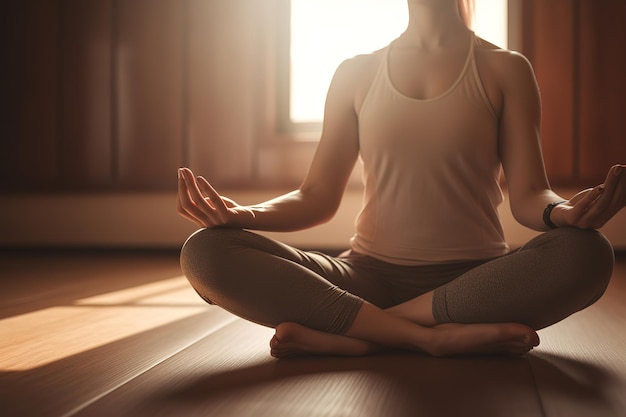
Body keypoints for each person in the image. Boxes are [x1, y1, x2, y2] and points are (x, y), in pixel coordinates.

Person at [177, 0, 624, 358]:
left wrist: (561, 212)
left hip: (474, 283)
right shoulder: (356, 71)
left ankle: (364, 335)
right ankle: (426, 337)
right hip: (363, 276)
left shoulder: (506, 68)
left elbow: (529, 195)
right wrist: (244, 214)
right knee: (206, 251)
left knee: (586, 253)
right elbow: (316, 197)